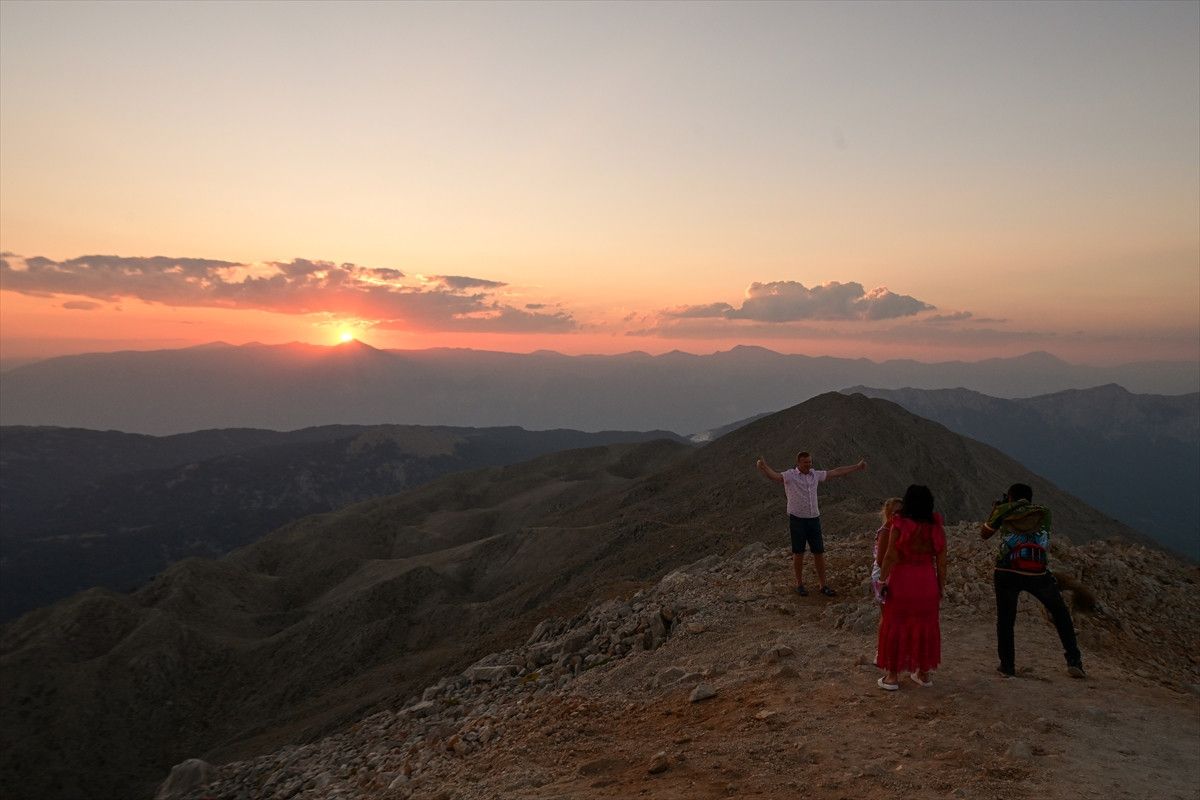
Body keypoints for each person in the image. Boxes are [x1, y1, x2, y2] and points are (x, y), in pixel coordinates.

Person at [981, 483, 1085, 679]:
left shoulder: (1004, 510)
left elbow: (985, 534)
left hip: (1007, 570)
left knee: (1006, 620)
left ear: (1010, 497)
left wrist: (996, 510)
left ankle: (1007, 666)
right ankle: (1074, 660)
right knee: (1060, 613)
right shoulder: (1044, 512)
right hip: (1037, 572)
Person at [755, 451, 867, 597]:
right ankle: (799, 584)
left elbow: (835, 472)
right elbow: (775, 476)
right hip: (797, 520)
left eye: (810, 462)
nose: (808, 464)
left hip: (814, 519)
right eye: (805, 462)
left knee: (819, 552)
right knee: (798, 553)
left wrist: (857, 467)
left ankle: (823, 585)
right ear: (798, 463)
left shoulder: (815, 474)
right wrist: (764, 468)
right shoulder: (790, 475)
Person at [876, 484, 945, 690]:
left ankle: (892, 677)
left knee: (895, 625)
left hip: (902, 582)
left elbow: (890, 555)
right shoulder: (936, 528)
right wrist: (940, 588)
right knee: (925, 627)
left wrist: (882, 580)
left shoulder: (899, 525)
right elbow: (942, 563)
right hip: (927, 583)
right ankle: (923, 674)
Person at [872, 497, 903, 604]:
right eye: (897, 512)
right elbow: (880, 560)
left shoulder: (896, 529)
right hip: (883, 575)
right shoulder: (885, 532)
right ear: (888, 513)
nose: (900, 515)